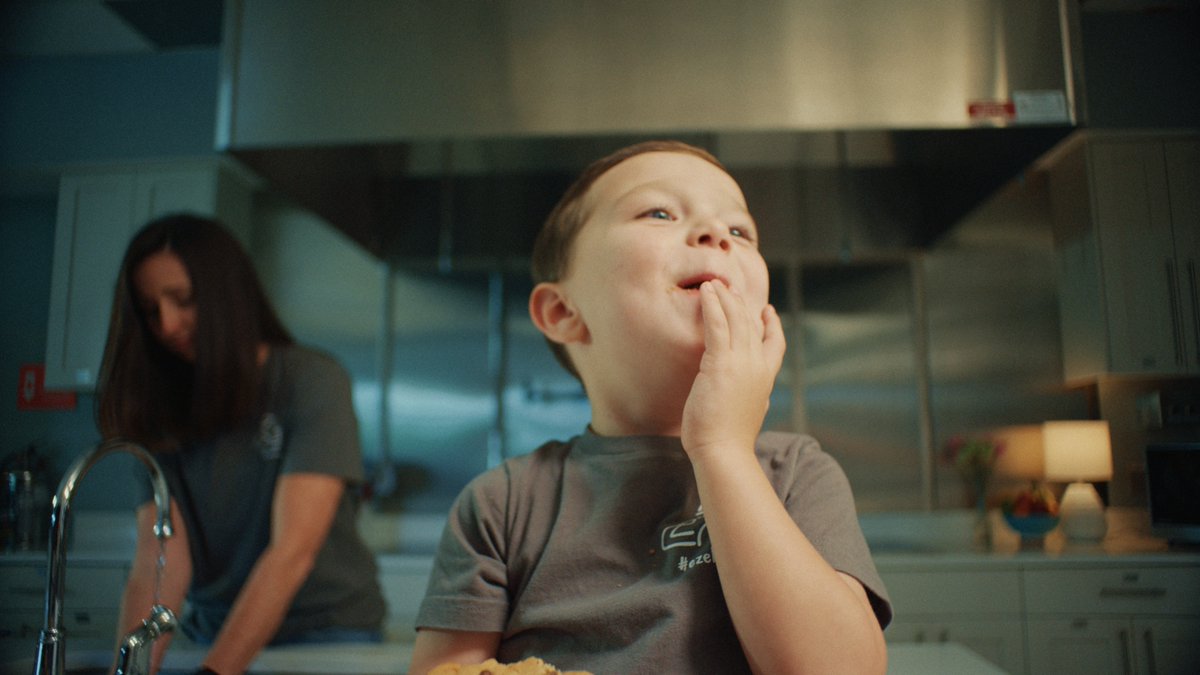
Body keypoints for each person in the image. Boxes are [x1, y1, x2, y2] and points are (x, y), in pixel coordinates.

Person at [409, 141, 892, 675]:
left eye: (740, 231)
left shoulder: (797, 473)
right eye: (658, 212)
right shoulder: (501, 505)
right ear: (563, 311)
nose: (715, 235)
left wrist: (722, 448)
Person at [97, 214, 386, 675]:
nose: (168, 325)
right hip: (212, 629)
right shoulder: (159, 404)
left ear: (227, 296)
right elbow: (161, 558)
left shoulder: (310, 380)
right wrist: (130, 670)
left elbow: (292, 552)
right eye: (151, 311)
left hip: (324, 635)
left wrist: (215, 673)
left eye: (183, 300)